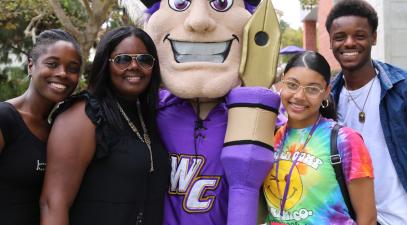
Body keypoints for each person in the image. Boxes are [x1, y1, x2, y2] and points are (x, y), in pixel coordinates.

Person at [137, 0, 282, 225]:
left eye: (221, 2)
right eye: (179, 3)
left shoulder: (262, 119)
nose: (198, 20)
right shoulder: (148, 112)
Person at [39, 26, 169, 225]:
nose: (134, 66)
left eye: (144, 59)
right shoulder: (83, 114)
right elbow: (53, 203)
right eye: (123, 59)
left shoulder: (149, 114)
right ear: (105, 64)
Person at [262, 51, 376, 225]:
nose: (299, 96)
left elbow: (367, 219)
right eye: (292, 85)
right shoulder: (269, 137)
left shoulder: (345, 141)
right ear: (282, 83)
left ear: (326, 92)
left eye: (313, 89)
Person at [326, 1, 407, 224]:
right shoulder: (327, 101)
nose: (349, 43)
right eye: (340, 36)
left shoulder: (401, 89)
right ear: (331, 42)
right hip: (357, 218)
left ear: (373, 38)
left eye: (359, 35)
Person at [0, 29, 82, 225]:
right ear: (31, 66)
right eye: (52, 64)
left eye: (72, 68)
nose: (63, 73)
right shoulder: (5, 118)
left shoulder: (57, 130)